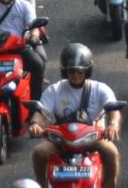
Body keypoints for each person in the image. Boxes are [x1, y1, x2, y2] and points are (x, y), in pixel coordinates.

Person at [29, 44, 122, 188]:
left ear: (87, 71)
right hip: (61, 140)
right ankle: (43, 185)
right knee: (39, 152)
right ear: (65, 72)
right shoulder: (55, 90)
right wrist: (35, 124)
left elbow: (113, 110)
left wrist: (113, 125)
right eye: (71, 71)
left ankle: (109, 185)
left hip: (93, 139)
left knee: (111, 152)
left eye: (80, 71)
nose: (76, 75)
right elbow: (41, 112)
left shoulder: (100, 89)